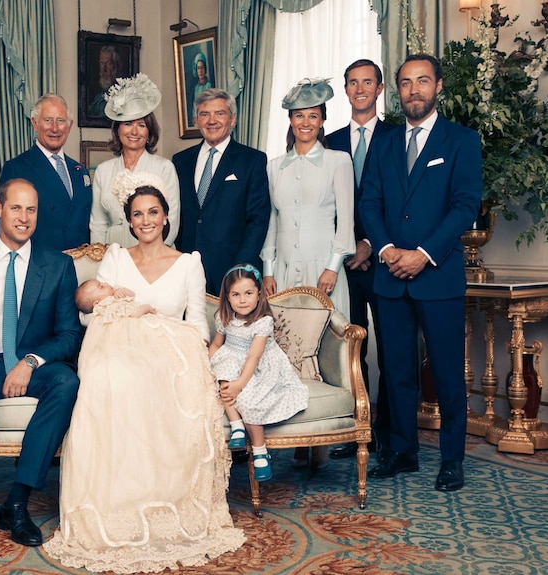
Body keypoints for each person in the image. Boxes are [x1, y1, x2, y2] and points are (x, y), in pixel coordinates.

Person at [44, 182, 245, 573]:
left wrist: (187, 352)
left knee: (160, 382)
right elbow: (88, 310)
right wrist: (119, 309)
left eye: (153, 212)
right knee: (110, 378)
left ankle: (163, 500)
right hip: (116, 344)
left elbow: (198, 323)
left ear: (166, 216)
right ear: (130, 222)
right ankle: (114, 502)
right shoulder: (117, 258)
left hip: (171, 346)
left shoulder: (189, 262)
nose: (146, 220)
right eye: (138, 214)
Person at [360, 54, 482, 492]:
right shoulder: (385, 142)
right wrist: (390, 250)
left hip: (438, 276)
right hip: (390, 276)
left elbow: (466, 206)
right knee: (397, 373)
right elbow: (369, 203)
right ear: (397, 90)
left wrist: (424, 253)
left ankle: (452, 459)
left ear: (439, 86)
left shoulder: (462, 141)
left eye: (423, 81)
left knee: (447, 373)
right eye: (406, 83)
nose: (414, 90)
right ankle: (403, 453)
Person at [0, 179, 82, 547]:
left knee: (67, 383)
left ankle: (17, 502)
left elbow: (70, 335)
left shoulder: (57, 265)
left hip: (35, 362)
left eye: (32, 209)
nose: (24, 217)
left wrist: (31, 362)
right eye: (16, 208)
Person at [262, 78, 355, 469]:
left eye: (312, 116)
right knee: (285, 348)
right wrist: (267, 268)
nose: (305, 122)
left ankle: (326, 434)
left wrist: (333, 267)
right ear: (290, 120)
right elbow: (272, 220)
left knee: (326, 346)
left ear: (322, 121)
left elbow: (345, 222)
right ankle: (296, 432)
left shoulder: (338, 161)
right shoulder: (274, 166)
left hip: (322, 266)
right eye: (299, 116)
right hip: (283, 268)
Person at [326, 59, 396, 461]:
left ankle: (386, 431)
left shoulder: (394, 136)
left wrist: (370, 243)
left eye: (367, 82)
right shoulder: (330, 140)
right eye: (352, 82)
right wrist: (347, 247)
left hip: (384, 260)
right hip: (341, 264)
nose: (360, 89)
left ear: (380, 88)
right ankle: (356, 428)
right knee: (346, 349)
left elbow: (400, 199)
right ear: (346, 89)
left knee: (390, 349)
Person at [209, 264, 309, 482]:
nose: (242, 300)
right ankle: (237, 426)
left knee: (247, 398)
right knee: (221, 376)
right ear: (227, 297)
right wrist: (207, 368)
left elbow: (253, 357)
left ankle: (260, 450)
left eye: (248, 293)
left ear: (259, 294)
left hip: (260, 367)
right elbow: (217, 345)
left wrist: (239, 385)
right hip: (231, 360)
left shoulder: (263, 321)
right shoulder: (224, 318)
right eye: (236, 294)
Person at [173, 88, 271, 294]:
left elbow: (258, 219)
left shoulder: (252, 160)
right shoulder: (181, 161)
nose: (212, 120)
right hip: (187, 267)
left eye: (220, 113)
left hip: (233, 269)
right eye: (204, 114)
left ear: (232, 119)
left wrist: (241, 268)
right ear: (196, 120)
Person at [91, 74, 180, 247]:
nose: (134, 131)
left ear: (149, 132)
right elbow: (97, 224)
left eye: (141, 125)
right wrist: (100, 260)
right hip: (113, 255)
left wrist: (149, 258)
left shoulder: (164, 168)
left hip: (154, 258)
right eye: (128, 123)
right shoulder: (103, 171)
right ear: (117, 130)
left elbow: (172, 223)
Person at [0, 94, 92, 251]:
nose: (54, 128)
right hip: (38, 265)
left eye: (61, 121)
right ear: (35, 123)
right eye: (48, 120)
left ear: (69, 126)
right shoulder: (16, 168)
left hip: (79, 266)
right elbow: (2, 226)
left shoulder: (80, 172)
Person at [74, 279, 143, 315]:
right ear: (97, 304)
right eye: (101, 287)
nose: (105, 283)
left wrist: (123, 291)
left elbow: (133, 295)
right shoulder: (103, 308)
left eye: (101, 283)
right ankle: (144, 309)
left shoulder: (116, 290)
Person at [88, 45, 121, 118]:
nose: (103, 69)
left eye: (109, 63)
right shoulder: (98, 97)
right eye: (101, 63)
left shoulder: (123, 95)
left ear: (117, 66)